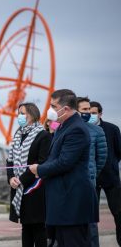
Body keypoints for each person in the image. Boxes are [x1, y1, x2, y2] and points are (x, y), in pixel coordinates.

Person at [29, 89, 98, 246]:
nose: (50, 109)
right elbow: (55, 158)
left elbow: (65, 162)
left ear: (65, 108)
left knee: (74, 241)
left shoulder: (76, 129)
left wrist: (39, 170)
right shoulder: (63, 126)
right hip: (63, 201)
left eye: (53, 106)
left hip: (72, 200)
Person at [6, 103, 51, 247]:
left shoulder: (43, 135)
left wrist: (20, 180)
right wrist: (11, 177)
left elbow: (42, 162)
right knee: (25, 227)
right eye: (19, 113)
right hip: (19, 188)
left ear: (32, 114)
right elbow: (10, 159)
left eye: (22, 113)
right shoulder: (18, 134)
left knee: (38, 227)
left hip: (34, 188)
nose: (19, 116)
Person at [76, 97, 107, 247]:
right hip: (70, 184)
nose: (88, 112)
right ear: (76, 111)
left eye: (89, 109)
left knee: (90, 223)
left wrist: (93, 173)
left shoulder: (97, 131)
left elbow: (101, 158)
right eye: (85, 109)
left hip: (88, 182)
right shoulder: (64, 128)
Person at [90, 101, 121, 246]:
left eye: (94, 112)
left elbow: (119, 151)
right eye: (88, 112)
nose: (91, 115)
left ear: (100, 113)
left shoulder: (112, 129)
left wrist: (112, 163)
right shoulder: (84, 129)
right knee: (90, 216)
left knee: (119, 213)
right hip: (92, 179)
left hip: (111, 178)